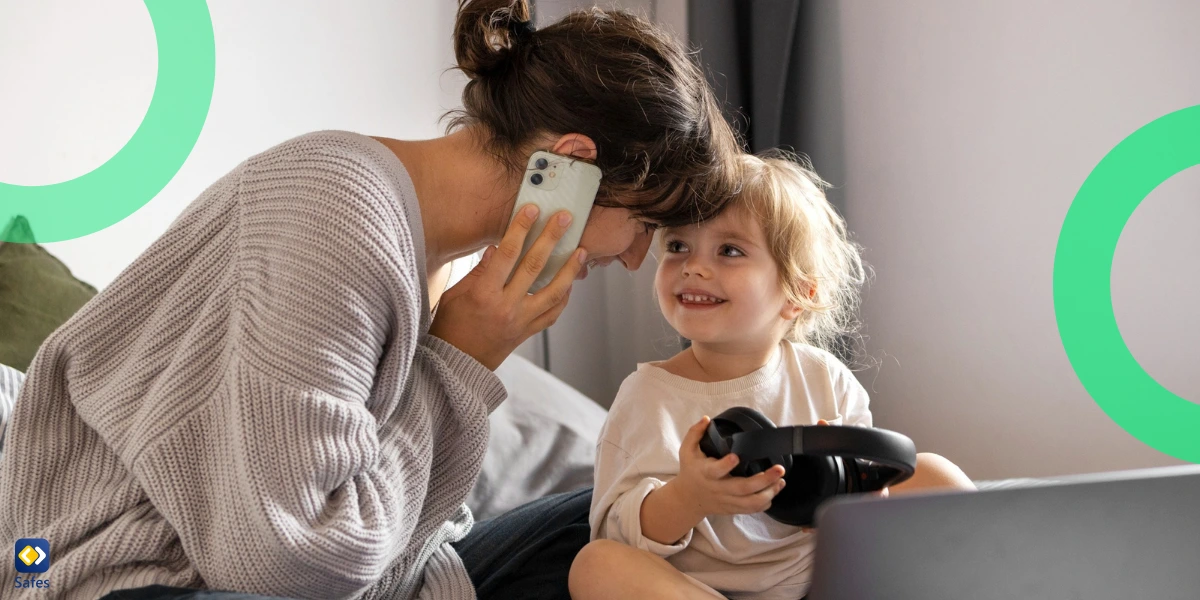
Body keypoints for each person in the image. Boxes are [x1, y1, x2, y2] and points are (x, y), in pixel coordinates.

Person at [0, 1, 743, 598]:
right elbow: (293, 561)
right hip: (130, 572)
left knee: (609, 525)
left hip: (325, 568)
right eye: (642, 222)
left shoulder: (424, 249)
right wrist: (461, 359)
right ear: (572, 163)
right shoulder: (336, 216)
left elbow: (380, 499)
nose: (636, 257)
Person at [569, 152, 976, 600]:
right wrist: (688, 498)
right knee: (596, 567)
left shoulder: (824, 377)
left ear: (797, 293)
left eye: (729, 251)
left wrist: (854, 497)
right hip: (700, 589)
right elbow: (615, 531)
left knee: (937, 475)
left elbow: (862, 491)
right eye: (677, 246)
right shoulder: (647, 396)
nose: (694, 267)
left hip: (818, 577)